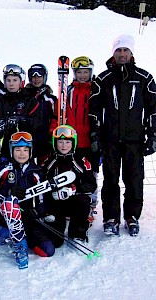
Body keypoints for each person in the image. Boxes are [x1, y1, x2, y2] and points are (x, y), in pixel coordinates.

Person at [89, 34, 156, 236]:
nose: (122, 54)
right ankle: (111, 217)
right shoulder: (103, 79)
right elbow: (93, 110)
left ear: (131, 52)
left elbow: (153, 109)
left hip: (135, 140)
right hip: (109, 140)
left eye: (125, 50)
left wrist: (152, 136)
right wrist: (95, 135)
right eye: (118, 50)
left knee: (134, 179)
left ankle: (132, 216)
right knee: (110, 180)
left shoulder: (144, 78)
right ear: (113, 53)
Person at [0, 131, 56, 269]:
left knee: (48, 251)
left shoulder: (36, 172)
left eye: (25, 150)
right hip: (5, 216)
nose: (21, 153)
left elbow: (44, 199)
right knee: (10, 204)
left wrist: (37, 211)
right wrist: (8, 192)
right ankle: (17, 245)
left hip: (28, 217)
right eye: (18, 150)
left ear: (30, 151)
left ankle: (23, 237)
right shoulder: (3, 169)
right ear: (11, 151)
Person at [42, 125, 96, 246]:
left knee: (84, 200)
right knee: (56, 242)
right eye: (60, 142)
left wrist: (73, 190)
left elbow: (91, 185)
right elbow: (41, 185)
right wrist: (51, 194)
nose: (64, 145)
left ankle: (78, 233)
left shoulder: (81, 161)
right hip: (56, 203)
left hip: (74, 202)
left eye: (67, 142)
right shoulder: (49, 162)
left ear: (73, 143)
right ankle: (55, 231)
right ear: (55, 143)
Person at [66, 56, 100, 225]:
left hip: (90, 141)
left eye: (85, 72)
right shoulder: (69, 91)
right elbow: (62, 113)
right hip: (72, 142)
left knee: (90, 175)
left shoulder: (96, 90)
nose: (82, 75)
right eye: (79, 72)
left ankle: (90, 205)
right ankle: (73, 205)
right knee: (73, 174)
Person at [0, 64, 41, 162]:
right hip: (5, 148)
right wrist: (0, 123)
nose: (11, 84)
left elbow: (37, 122)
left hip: (25, 148)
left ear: (20, 82)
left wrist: (21, 120)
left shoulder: (30, 100)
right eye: (8, 80)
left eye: (15, 80)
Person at [25, 64, 58, 165]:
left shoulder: (50, 99)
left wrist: (51, 132)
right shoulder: (24, 96)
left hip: (44, 140)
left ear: (44, 77)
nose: (36, 79)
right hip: (27, 138)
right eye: (33, 77)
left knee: (43, 167)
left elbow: (55, 117)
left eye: (39, 76)